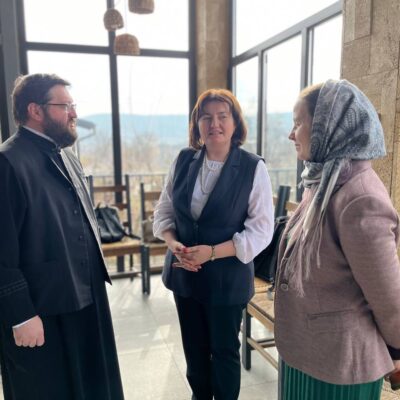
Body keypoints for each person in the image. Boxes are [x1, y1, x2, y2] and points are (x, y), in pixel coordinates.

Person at [0, 73, 125, 400]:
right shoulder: (7, 162)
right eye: (65, 106)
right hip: (41, 311)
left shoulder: (68, 156)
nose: (74, 114)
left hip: (86, 298)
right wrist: (21, 315)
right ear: (35, 110)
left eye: (73, 105)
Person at [274, 79, 400, 400]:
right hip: (310, 350)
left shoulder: (360, 197)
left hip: (340, 365)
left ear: (326, 128)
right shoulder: (323, 180)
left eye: (298, 123)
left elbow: (387, 295)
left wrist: (397, 351)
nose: (291, 134)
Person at [153, 88, 274, 400]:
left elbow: (261, 231)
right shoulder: (183, 160)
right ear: (197, 124)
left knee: (223, 353)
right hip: (184, 275)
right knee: (194, 352)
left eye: (222, 116)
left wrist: (212, 253)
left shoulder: (252, 167)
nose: (214, 123)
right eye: (206, 117)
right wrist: (173, 244)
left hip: (226, 279)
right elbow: (164, 211)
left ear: (235, 123)